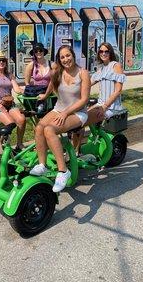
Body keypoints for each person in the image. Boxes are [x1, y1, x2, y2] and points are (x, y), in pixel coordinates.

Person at [29, 45, 91, 192]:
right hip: (59, 109)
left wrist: (65, 113)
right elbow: (51, 83)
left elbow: (84, 100)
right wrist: (45, 95)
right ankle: (42, 165)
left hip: (77, 113)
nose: (65, 59)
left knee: (49, 130)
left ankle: (63, 171)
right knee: (39, 128)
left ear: (73, 55)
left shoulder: (83, 73)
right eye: (62, 57)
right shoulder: (59, 71)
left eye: (68, 55)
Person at [87, 42, 126, 125]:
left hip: (112, 107)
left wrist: (105, 106)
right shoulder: (100, 68)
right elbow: (88, 84)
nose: (103, 53)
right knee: (82, 116)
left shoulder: (116, 66)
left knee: (84, 120)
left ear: (110, 52)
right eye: (101, 51)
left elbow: (118, 91)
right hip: (100, 104)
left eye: (106, 51)